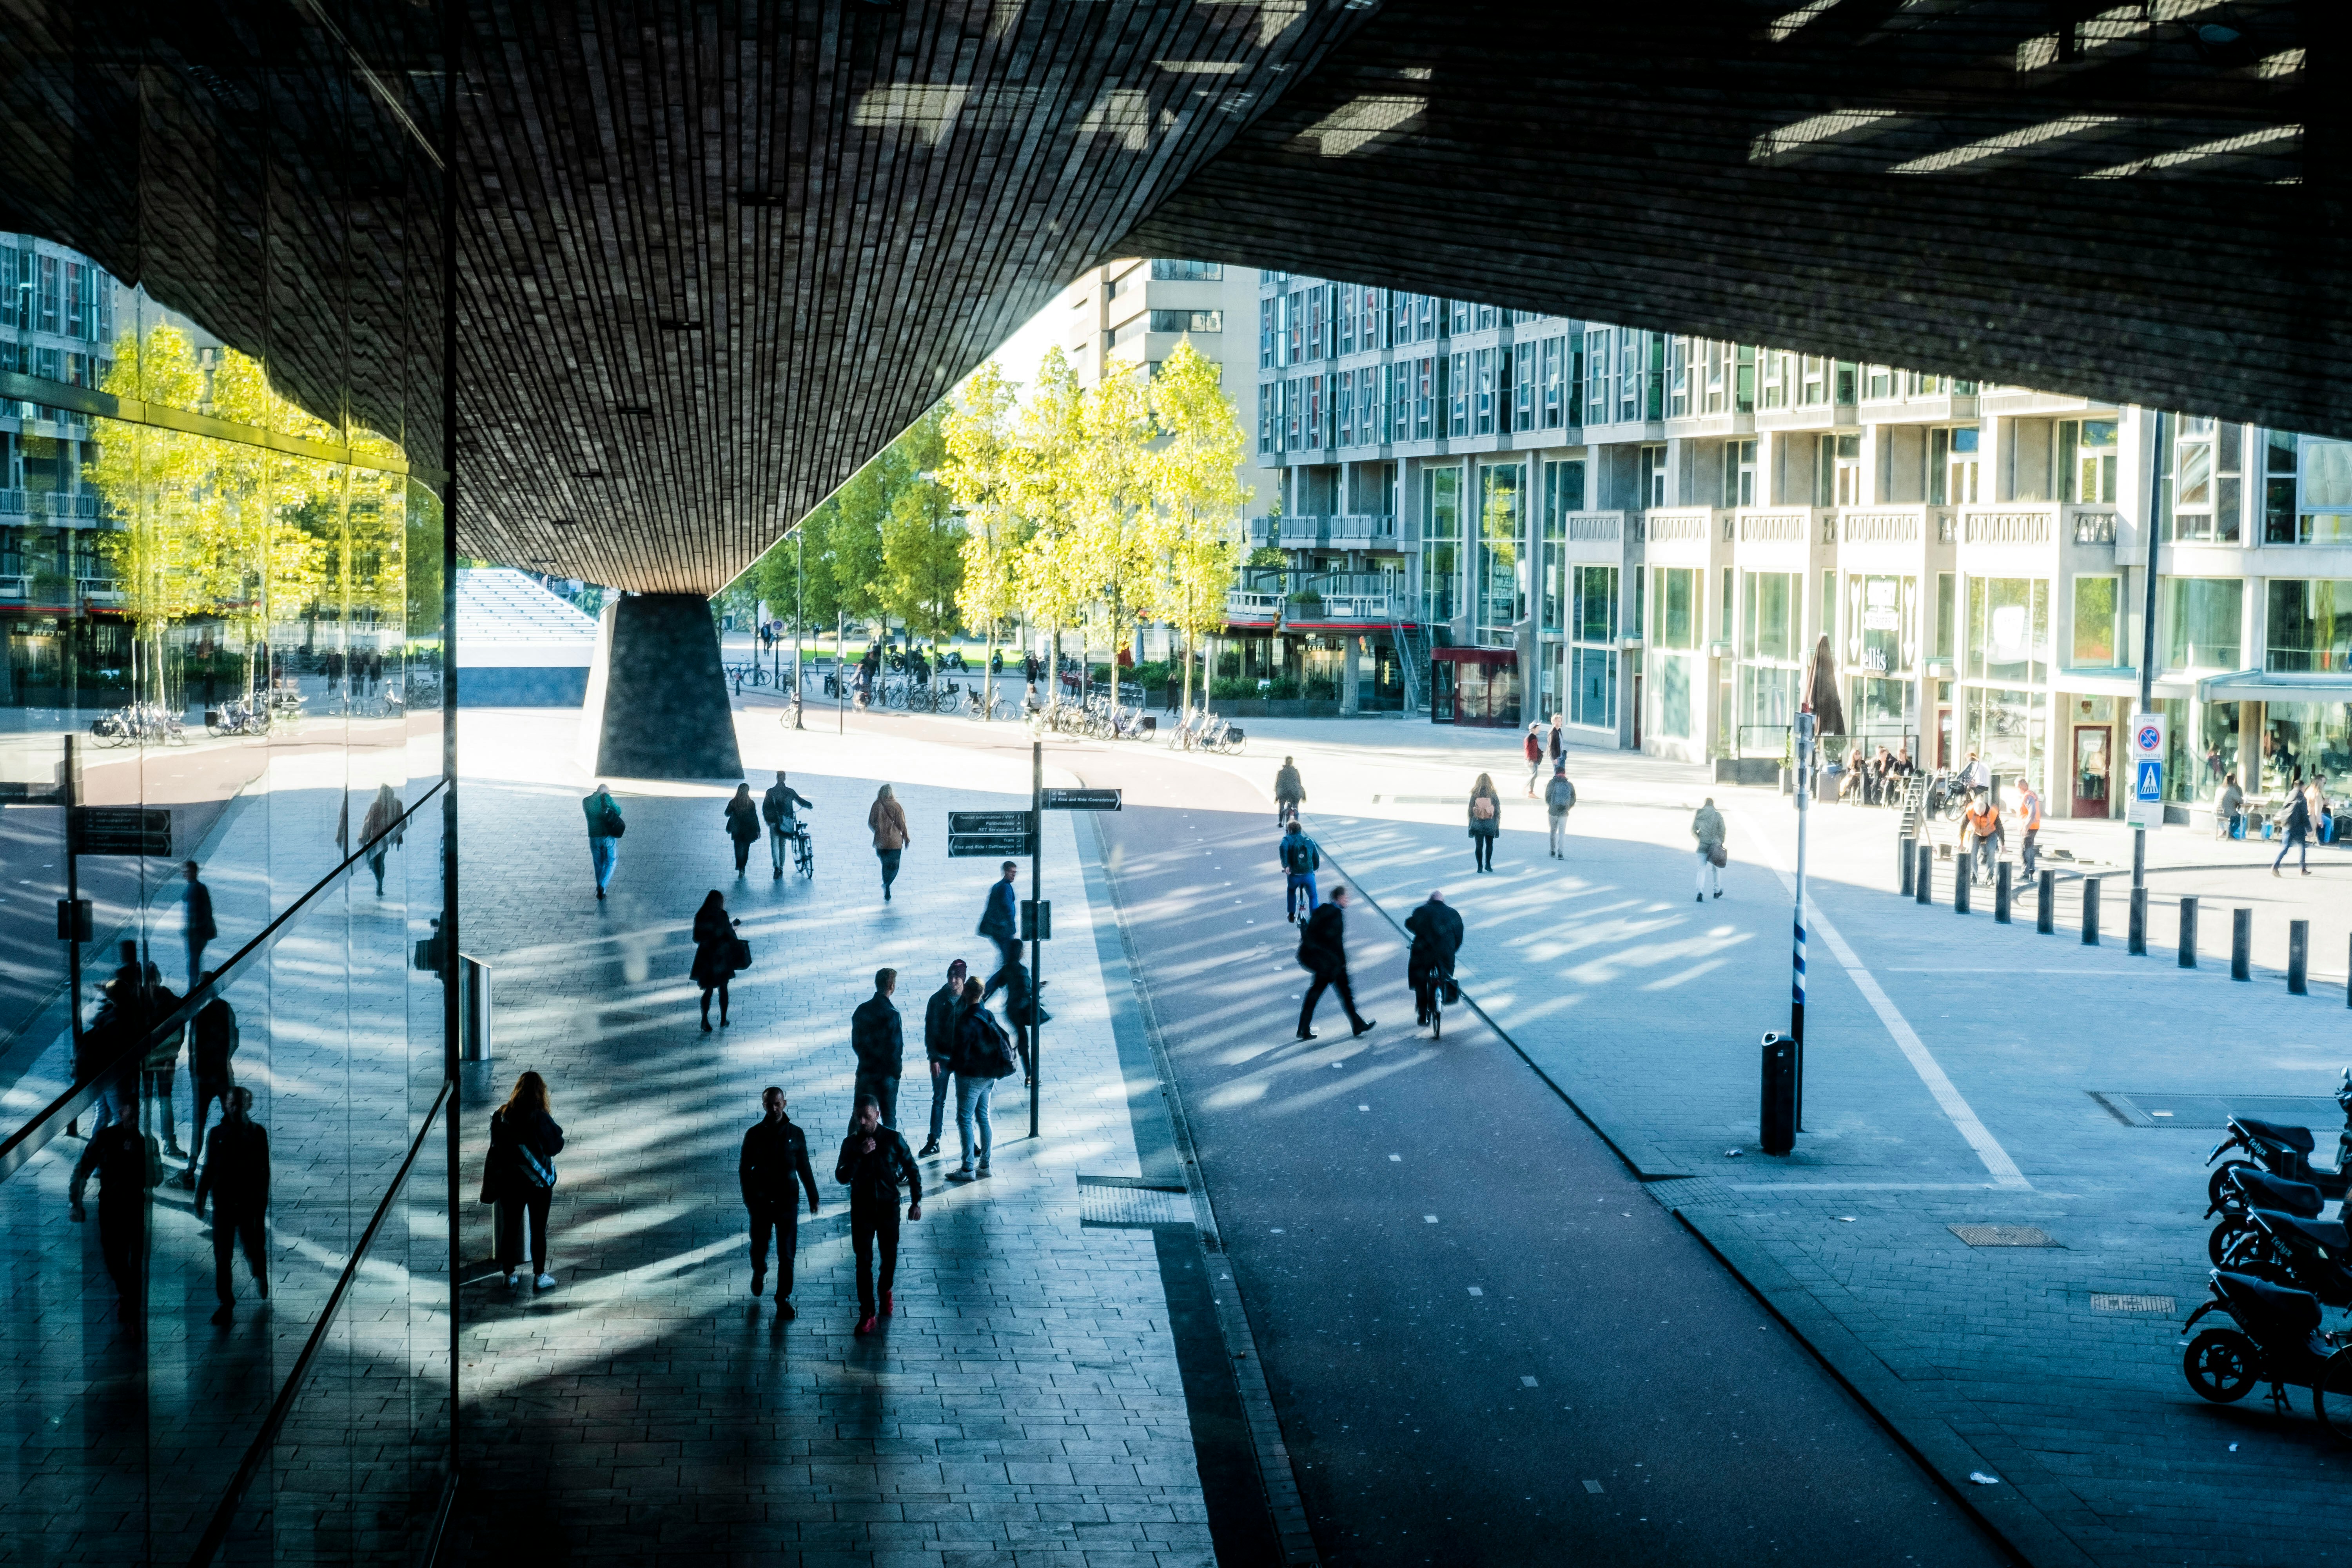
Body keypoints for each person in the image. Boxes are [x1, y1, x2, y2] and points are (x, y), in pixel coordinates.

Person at [836, 1093, 922, 1336]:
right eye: (858, 1117)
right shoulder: (850, 1144)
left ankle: (886, 1290)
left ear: (877, 1115)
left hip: (888, 1209)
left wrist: (916, 1201)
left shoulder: (893, 1139)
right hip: (862, 1211)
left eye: (866, 1117)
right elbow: (841, 1176)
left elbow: (912, 1169)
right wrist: (859, 1155)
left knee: (889, 1256)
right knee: (863, 1262)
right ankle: (867, 1313)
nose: (861, 1122)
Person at [70, 1107, 158, 1326]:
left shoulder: (147, 1142)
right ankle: (127, 1294)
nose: (135, 1121)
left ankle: (132, 1304)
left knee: (134, 1258)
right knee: (113, 1256)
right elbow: (83, 1168)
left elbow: (156, 1178)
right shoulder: (106, 1138)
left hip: (135, 1206)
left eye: (138, 1117)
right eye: (131, 1117)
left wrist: (140, 1155)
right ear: (122, 1114)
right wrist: (76, 1201)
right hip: (111, 1205)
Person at [739, 1087, 820, 1315]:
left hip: (787, 1204)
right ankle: (759, 1270)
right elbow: (744, 1170)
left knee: (787, 1254)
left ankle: (782, 1298)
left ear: (785, 1103)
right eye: (769, 1104)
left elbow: (804, 1167)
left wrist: (813, 1197)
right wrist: (750, 1201)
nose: (774, 1108)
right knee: (759, 1247)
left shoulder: (796, 1134)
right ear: (763, 1105)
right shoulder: (754, 1135)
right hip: (762, 1204)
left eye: (777, 1104)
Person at [194, 1085, 269, 1325]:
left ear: (249, 1105)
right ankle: (226, 1302)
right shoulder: (217, 1134)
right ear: (226, 1105)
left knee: (252, 1246)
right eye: (231, 1104)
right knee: (222, 1255)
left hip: (247, 1203)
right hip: (224, 1203)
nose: (235, 1108)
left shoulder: (257, 1133)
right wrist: (201, 1196)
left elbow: (263, 1171)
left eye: (239, 1104)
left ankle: (259, 1272)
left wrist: (261, 1202)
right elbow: (209, 1167)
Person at [483, 1070, 564, 1289]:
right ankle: (540, 1276)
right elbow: (555, 1147)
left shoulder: (502, 1114)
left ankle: (509, 1275)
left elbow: (497, 1146)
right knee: (539, 1230)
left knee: (510, 1227)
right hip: (539, 1184)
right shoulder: (539, 1116)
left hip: (510, 1182)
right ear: (540, 1092)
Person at [949, 977, 1018, 1180]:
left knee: (964, 1120)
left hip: (970, 1077)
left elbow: (961, 1052)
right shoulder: (987, 1014)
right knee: (983, 1117)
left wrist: (952, 1067)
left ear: (966, 993)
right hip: (990, 1076)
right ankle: (985, 1165)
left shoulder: (966, 1020)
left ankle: (967, 1168)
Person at [178, 973, 238, 1188]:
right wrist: (224, 1060)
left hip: (203, 1076)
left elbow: (191, 1044)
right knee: (230, 1116)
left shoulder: (196, 1011)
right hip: (220, 1073)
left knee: (199, 1122)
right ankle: (231, 1161)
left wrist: (195, 1068)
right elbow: (233, 1040)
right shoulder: (224, 1008)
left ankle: (192, 1166)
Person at [1296, 884, 1373, 1041]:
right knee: (1344, 994)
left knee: (1317, 994)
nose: (1348, 901)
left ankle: (1304, 1028)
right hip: (1332, 964)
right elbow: (1336, 941)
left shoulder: (1323, 910)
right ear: (1339, 898)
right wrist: (1342, 963)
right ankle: (1357, 1024)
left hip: (1322, 962)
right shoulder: (1336, 914)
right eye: (1346, 898)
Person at [919, 960, 968, 1157]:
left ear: (963, 978)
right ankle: (934, 1140)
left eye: (957, 977)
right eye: (951, 976)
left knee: (966, 1101)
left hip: (964, 1060)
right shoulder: (937, 1000)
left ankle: (969, 1141)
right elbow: (930, 1031)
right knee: (939, 1099)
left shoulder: (970, 998)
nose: (953, 980)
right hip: (941, 1058)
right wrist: (933, 1058)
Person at [851, 968, 904, 1130]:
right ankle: (888, 1152)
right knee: (889, 1117)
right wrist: (896, 1074)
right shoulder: (893, 1015)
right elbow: (896, 1050)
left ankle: (853, 1149)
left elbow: (857, 1043)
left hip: (866, 1072)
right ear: (892, 987)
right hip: (887, 1076)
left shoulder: (862, 1010)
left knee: (860, 1114)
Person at [1404, 889, 1463, 1031]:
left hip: (1424, 952)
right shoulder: (1454, 913)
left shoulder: (1422, 910)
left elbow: (1409, 924)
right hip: (1446, 954)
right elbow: (1459, 937)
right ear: (1444, 902)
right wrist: (1451, 950)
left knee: (1421, 979)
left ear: (1430, 901)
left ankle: (1423, 1012)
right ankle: (1442, 993)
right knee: (1445, 976)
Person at [691, 891, 740, 1030]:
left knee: (708, 990)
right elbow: (728, 935)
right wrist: (733, 928)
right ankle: (723, 1019)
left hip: (705, 958)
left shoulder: (701, 916)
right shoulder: (722, 915)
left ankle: (704, 1021)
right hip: (720, 958)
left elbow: (696, 938)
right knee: (723, 989)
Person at [996, 951, 1038, 1084]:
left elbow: (999, 984)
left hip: (1010, 1010)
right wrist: (1038, 988)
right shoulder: (1022, 970)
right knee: (1023, 1041)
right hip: (1020, 1010)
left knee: (1021, 1039)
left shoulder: (1006, 968)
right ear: (1020, 953)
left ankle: (1029, 1075)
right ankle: (1029, 1075)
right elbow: (1027, 989)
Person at [761, 771, 814, 878]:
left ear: (777, 778)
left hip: (774, 822)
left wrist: (768, 821)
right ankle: (781, 867)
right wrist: (809, 805)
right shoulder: (790, 791)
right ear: (785, 779)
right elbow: (801, 802)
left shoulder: (770, 792)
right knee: (782, 845)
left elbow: (765, 808)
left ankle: (776, 868)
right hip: (786, 822)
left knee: (774, 845)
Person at [978, 860, 1021, 986]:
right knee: (1009, 963)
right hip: (1004, 931)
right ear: (1005, 872)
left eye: (1015, 873)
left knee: (1008, 963)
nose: (1014, 875)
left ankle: (993, 989)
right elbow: (1009, 911)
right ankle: (986, 992)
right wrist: (1012, 930)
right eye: (1012, 872)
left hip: (999, 931)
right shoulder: (1004, 888)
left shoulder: (998, 887)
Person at [868, 784, 910, 902]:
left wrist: (878, 831)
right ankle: (888, 884)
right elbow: (902, 824)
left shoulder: (876, 805)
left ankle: (886, 886)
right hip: (895, 843)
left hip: (881, 843)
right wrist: (906, 837)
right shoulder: (897, 806)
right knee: (895, 866)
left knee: (885, 865)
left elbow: (871, 823)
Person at [360, 782, 403, 897]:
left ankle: (379, 884)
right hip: (386, 839)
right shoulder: (397, 804)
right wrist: (398, 837)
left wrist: (363, 838)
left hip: (376, 838)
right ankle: (380, 884)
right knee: (380, 861)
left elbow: (368, 823)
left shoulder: (376, 805)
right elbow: (401, 822)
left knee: (375, 862)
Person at [583, 783, 624, 900]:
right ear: (605, 792)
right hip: (608, 837)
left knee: (598, 863)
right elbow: (618, 811)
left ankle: (600, 889)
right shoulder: (607, 798)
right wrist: (608, 800)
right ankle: (602, 886)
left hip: (594, 837)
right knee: (611, 861)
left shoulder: (586, 801)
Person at [180, 859, 216, 990]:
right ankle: (193, 987)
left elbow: (203, 911)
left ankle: (192, 989)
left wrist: (194, 930)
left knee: (193, 962)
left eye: (188, 872)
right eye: (185, 872)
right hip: (196, 932)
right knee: (194, 960)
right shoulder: (196, 887)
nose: (186, 874)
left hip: (196, 933)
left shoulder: (195, 888)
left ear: (195, 872)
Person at [1962, 789, 2002, 885]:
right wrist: (1961, 842)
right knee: (1972, 853)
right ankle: (1974, 876)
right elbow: (1963, 826)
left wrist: (2003, 845)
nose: (1980, 815)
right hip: (1977, 833)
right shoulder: (1970, 810)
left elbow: (2000, 829)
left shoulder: (1992, 812)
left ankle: (1990, 877)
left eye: (1982, 813)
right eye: (1978, 814)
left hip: (1991, 833)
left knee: (1991, 852)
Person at [2275, 783, 2314, 877]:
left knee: (2285, 848)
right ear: (2302, 787)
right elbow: (2304, 816)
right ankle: (2303, 869)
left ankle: (2275, 866)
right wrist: (2309, 830)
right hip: (2298, 827)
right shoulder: (2302, 799)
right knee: (2302, 848)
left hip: (2287, 825)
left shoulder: (2290, 796)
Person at [724, 782, 762, 876]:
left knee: (737, 848)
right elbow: (755, 817)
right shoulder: (751, 804)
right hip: (748, 830)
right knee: (746, 849)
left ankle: (739, 865)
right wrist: (758, 830)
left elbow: (727, 813)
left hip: (737, 830)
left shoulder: (733, 803)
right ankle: (743, 868)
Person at [1693, 797, 1727, 902]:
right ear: (1713, 805)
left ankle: (1700, 892)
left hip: (1703, 846)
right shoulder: (1717, 815)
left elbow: (1694, 830)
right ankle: (1717, 891)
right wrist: (1720, 842)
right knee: (1716, 869)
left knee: (1701, 869)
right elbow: (1723, 830)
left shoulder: (1700, 814)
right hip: (1715, 846)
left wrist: (1701, 838)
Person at [1467, 773, 1502, 873]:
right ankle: (1488, 864)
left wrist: (1471, 826)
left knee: (1479, 846)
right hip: (1490, 823)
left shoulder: (1475, 794)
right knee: (1489, 845)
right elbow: (1497, 811)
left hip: (1478, 824)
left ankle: (1479, 866)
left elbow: (1470, 811)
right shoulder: (1493, 795)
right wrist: (1497, 826)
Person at [1543, 764, 1576, 858]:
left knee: (1553, 831)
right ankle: (1561, 853)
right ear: (1565, 774)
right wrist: (1567, 808)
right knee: (1562, 832)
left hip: (1553, 811)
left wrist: (1551, 805)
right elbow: (1574, 800)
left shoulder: (1552, 783)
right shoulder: (1569, 785)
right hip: (1564, 812)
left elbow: (1547, 797)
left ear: (1556, 773)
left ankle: (1553, 850)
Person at [2014, 777, 2043, 879]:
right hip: (2034, 826)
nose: (2017, 789)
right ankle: (2031, 871)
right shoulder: (2031, 794)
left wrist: (2026, 826)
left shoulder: (2027, 796)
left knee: (2024, 850)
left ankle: (2025, 874)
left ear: (2022, 786)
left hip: (2029, 827)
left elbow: (2033, 811)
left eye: (2017, 787)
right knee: (2030, 849)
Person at [1273, 755, 1305, 825]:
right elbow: (1299, 783)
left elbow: (1278, 784)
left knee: (1282, 804)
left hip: (1284, 793)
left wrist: (1277, 794)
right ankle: (1297, 820)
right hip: (1295, 793)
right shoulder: (1296, 772)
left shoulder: (1281, 772)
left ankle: (1281, 821)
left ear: (1285, 762)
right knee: (1296, 807)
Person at [2215, 772, 2246, 840]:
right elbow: (2241, 800)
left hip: (2217, 811)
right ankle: (2230, 833)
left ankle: (2227, 832)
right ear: (2233, 781)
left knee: (2234, 816)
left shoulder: (2221, 788)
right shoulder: (2231, 790)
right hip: (2226, 812)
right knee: (2241, 818)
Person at [1523, 723, 1544, 795]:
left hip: (1531, 759)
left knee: (1534, 775)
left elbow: (1536, 749)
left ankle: (1531, 792)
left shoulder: (1532, 737)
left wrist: (1542, 752)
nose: (1539, 730)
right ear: (1533, 729)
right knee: (1534, 775)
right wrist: (1531, 760)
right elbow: (1530, 750)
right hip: (1531, 760)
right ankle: (1526, 787)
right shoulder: (1532, 738)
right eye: (1537, 728)